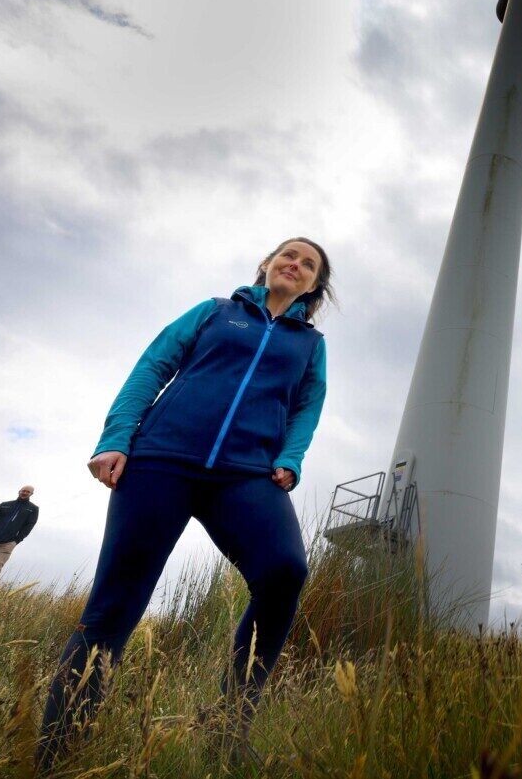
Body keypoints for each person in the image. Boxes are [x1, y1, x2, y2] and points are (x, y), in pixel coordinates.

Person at [37, 238, 333, 770]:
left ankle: (228, 725)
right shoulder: (216, 312)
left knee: (285, 570)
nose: (296, 264)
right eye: (289, 255)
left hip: (246, 474)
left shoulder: (310, 346)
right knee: (113, 606)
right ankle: (58, 752)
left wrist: (291, 454)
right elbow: (153, 366)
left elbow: (308, 407)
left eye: (308, 265)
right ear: (266, 265)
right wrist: (117, 436)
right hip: (161, 460)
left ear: (313, 286)